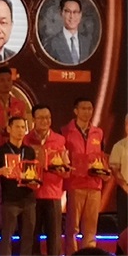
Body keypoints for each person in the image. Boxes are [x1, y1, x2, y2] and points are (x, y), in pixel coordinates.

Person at [62, 97, 109, 254]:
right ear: (75, 111)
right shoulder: (65, 132)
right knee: (72, 229)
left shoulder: (98, 132)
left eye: (90, 109)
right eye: (83, 108)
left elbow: (102, 156)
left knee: (90, 229)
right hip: (75, 185)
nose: (87, 112)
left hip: (94, 185)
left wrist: (105, 171)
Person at [0, 66, 29, 229]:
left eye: (8, 80)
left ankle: (18, 223)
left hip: (15, 149)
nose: (5, 83)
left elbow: (23, 127)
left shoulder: (19, 103)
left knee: (16, 186)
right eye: (2, 80)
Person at [25, 104, 70, 256]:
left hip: (53, 193)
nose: (45, 121)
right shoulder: (26, 140)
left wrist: (63, 170)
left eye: (48, 118)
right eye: (41, 118)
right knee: (32, 235)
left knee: (54, 236)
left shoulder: (60, 140)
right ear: (33, 119)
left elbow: (67, 169)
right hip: (31, 194)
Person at [0, 116, 37, 256]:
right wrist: (0, 171)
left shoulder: (29, 151)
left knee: (28, 238)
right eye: (17, 127)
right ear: (9, 129)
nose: (20, 130)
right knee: (7, 237)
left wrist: (34, 181)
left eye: (23, 127)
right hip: (9, 200)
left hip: (28, 198)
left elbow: (34, 173)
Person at [44, 0, 92, 65]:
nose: (72, 16)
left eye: (75, 12)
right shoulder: (51, 43)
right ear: (61, 13)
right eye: (68, 12)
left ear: (80, 15)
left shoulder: (87, 43)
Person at [109, 113, 128, 232]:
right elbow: (115, 170)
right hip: (124, 191)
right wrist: (125, 187)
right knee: (124, 227)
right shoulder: (119, 146)